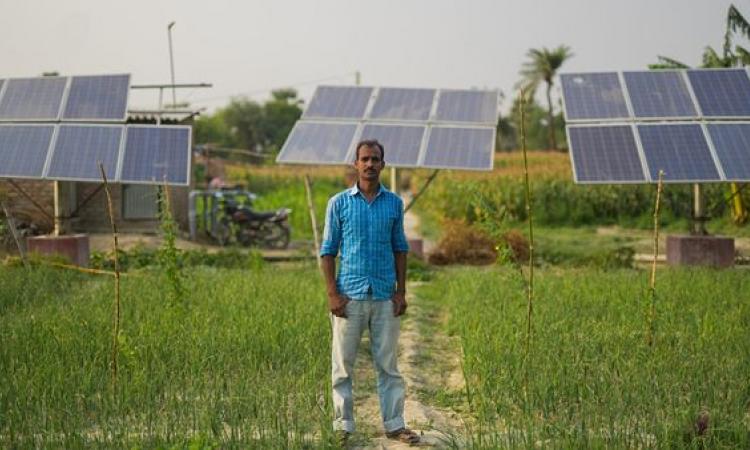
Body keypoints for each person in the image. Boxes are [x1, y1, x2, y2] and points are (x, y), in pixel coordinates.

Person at [320, 139, 420, 445]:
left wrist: (401, 292)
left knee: (388, 366)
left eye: (375, 159)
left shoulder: (393, 204)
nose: (369, 164)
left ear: (382, 165)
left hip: (383, 297)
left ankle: (394, 425)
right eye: (364, 159)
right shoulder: (338, 203)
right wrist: (333, 295)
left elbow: (400, 249)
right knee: (342, 367)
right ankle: (342, 428)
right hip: (349, 298)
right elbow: (327, 252)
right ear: (356, 164)